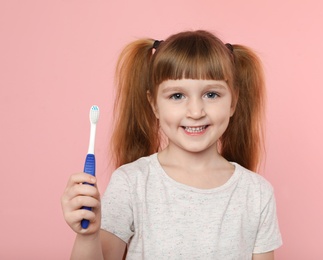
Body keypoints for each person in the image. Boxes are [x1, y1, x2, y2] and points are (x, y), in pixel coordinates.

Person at [61, 30, 282, 260]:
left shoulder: (257, 194)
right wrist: (87, 235)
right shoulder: (131, 183)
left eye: (212, 94)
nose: (196, 112)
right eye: (177, 96)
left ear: (233, 102)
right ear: (154, 105)